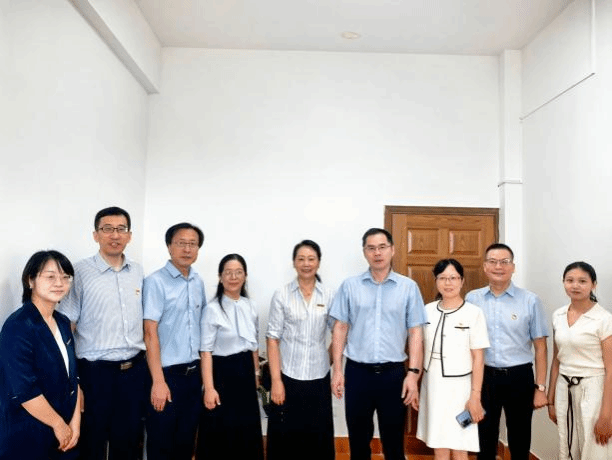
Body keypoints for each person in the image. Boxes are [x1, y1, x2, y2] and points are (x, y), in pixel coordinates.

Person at [58, 206, 147, 460]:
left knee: (129, 440)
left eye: (121, 229)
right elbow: (67, 327)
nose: (115, 235)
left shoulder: (138, 272)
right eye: (107, 229)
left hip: (134, 371)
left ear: (129, 235)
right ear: (95, 235)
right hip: (95, 374)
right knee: (92, 441)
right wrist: (72, 378)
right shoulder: (80, 272)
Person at [330, 228, 426, 460]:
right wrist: (338, 370)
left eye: (382, 247)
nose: (377, 253)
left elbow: (415, 333)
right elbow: (340, 328)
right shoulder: (350, 286)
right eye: (371, 248)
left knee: (393, 443)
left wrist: (413, 375)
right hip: (357, 373)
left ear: (392, 250)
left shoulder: (408, 287)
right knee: (358, 441)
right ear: (364, 252)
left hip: (393, 375)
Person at [465, 243, 549, 460]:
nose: (498, 267)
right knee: (484, 437)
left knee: (520, 438)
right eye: (493, 262)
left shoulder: (530, 300)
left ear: (513, 267)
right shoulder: (472, 299)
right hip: (484, 376)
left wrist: (540, 387)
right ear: (485, 267)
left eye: (504, 262)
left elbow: (541, 348)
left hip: (519, 376)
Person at [0, 250, 81, 459]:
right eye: (50, 276)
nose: (59, 283)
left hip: (64, 429)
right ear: (31, 280)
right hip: (28, 431)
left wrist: (75, 423)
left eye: (65, 277)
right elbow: (24, 390)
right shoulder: (18, 326)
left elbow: (72, 376)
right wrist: (58, 424)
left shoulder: (62, 321)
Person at [266, 240, 335, 460]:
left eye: (311, 259)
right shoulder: (282, 294)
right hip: (288, 375)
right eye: (301, 259)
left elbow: (339, 334)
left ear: (319, 262)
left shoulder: (329, 295)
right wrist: (276, 381)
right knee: (286, 437)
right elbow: (272, 339)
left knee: (318, 436)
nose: (306, 264)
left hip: (319, 376)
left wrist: (328, 360)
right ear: (294, 263)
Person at [143, 223, 206, 460]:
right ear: (169, 246)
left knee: (186, 442)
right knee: (161, 443)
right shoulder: (155, 282)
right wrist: (158, 381)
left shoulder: (198, 282)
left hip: (194, 376)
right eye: (181, 243)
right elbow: (150, 332)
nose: (187, 249)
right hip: (167, 375)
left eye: (192, 244)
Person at [416, 258, 489, 460]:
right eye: (443, 278)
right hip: (432, 385)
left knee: (460, 443)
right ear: (436, 281)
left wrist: (475, 396)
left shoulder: (474, 313)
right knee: (438, 441)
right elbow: (419, 349)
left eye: (453, 278)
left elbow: (478, 358)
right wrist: (415, 382)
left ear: (462, 281)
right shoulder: (427, 310)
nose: (448, 283)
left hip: (462, 388)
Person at [197, 254, 264, 460]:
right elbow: (205, 352)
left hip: (246, 374)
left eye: (238, 272)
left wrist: (256, 374)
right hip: (222, 375)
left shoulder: (251, 306)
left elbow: (254, 345)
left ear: (245, 276)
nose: (233, 277)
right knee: (221, 433)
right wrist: (209, 388)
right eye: (228, 272)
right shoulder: (212, 309)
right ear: (220, 277)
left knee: (247, 431)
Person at [547, 261, 612, 459]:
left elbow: (611, 369)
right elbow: (556, 360)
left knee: (594, 448)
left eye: (582, 281)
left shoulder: (604, 319)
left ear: (594, 285)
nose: (575, 285)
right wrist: (550, 401)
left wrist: (606, 414)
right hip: (563, 388)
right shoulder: (558, 315)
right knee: (567, 444)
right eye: (570, 280)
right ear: (563, 282)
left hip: (593, 389)